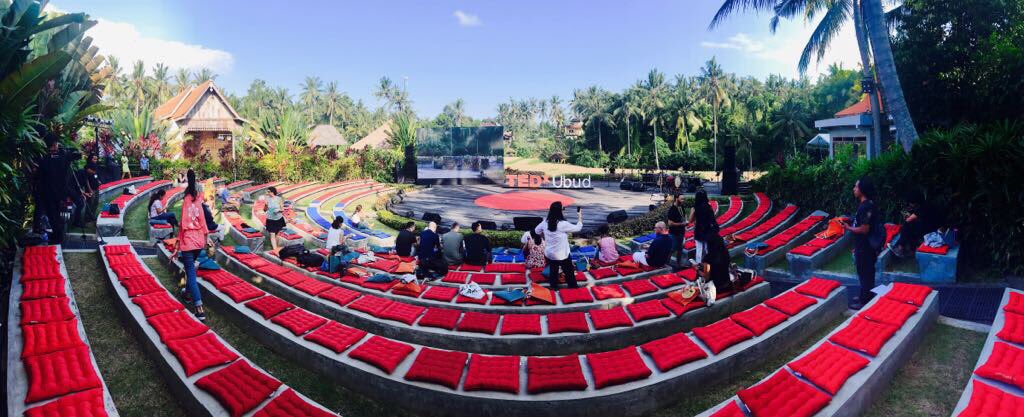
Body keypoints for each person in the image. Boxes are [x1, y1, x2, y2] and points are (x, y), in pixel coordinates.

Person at [173, 169, 209, 321]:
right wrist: (206, 239)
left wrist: (177, 245)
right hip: (199, 241)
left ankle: (199, 308)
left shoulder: (186, 201)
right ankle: (187, 294)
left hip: (188, 241)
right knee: (190, 270)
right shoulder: (198, 200)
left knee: (191, 274)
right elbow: (203, 222)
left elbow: (182, 225)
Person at [844, 176, 883, 309]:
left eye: (856, 186)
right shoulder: (866, 204)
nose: (854, 189)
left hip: (866, 247)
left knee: (865, 273)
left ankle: (864, 301)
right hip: (864, 245)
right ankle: (865, 295)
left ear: (862, 189)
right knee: (866, 272)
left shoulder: (866, 206)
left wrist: (849, 228)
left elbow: (864, 229)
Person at [34, 134, 77, 244]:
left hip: (48, 192)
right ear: (54, 144)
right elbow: (75, 155)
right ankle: (57, 235)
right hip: (59, 191)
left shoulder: (44, 159)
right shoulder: (63, 156)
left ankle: (58, 237)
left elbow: (39, 175)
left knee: (53, 215)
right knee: (56, 215)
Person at [534, 202, 582, 291]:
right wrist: (579, 216)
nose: (564, 211)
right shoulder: (563, 224)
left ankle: (554, 287)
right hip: (562, 254)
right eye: (563, 209)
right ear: (560, 211)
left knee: (553, 270)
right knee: (569, 272)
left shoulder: (545, 222)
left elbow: (536, 231)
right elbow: (578, 228)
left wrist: (545, 236)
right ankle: (573, 289)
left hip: (550, 254)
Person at [890, 190, 944, 258]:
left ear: (915, 202)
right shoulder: (928, 205)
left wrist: (907, 217)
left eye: (911, 203)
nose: (910, 204)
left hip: (931, 231)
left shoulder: (922, 208)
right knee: (911, 226)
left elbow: (908, 220)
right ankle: (908, 249)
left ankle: (901, 247)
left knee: (907, 226)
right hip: (933, 228)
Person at [688, 190, 718, 263]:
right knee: (707, 249)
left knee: (699, 250)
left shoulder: (695, 208)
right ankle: (708, 264)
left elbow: (690, 220)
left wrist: (692, 212)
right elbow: (712, 219)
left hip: (699, 230)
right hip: (708, 230)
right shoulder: (709, 207)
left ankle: (699, 265)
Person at [666, 194, 689, 266]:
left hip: (681, 232)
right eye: (681, 199)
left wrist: (685, 221)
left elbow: (684, 215)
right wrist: (682, 224)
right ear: (676, 199)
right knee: (672, 249)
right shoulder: (672, 209)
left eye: (684, 199)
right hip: (674, 233)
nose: (683, 200)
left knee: (680, 249)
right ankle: (666, 263)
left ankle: (678, 264)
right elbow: (670, 223)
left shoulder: (681, 207)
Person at [264, 186, 286, 250]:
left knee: (277, 234)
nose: (267, 193)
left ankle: (276, 248)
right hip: (270, 219)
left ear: (272, 192)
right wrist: (266, 205)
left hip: (278, 219)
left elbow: (282, 209)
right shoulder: (267, 199)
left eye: (268, 191)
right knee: (272, 234)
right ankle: (275, 250)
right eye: (267, 192)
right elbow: (265, 210)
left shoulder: (279, 199)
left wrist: (278, 211)